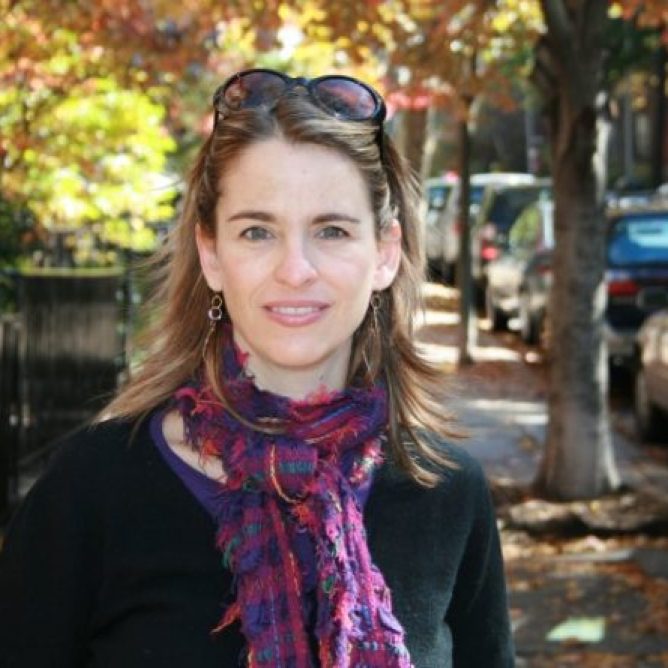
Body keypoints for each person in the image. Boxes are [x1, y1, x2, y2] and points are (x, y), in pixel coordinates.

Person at [0, 69, 514, 667]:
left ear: (385, 253)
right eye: (257, 231)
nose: (295, 269)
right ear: (212, 254)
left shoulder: (446, 491)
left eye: (331, 230)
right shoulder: (94, 487)